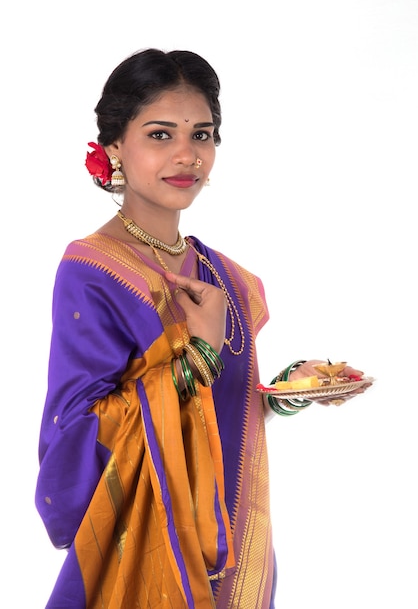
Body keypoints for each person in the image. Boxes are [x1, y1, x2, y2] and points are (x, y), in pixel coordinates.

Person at [35, 48, 370, 609]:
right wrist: (199, 354)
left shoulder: (220, 274)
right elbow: (77, 434)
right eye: (161, 135)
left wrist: (286, 390)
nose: (188, 155)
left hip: (238, 537)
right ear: (115, 146)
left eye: (203, 134)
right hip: (151, 553)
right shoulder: (92, 270)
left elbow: (218, 407)